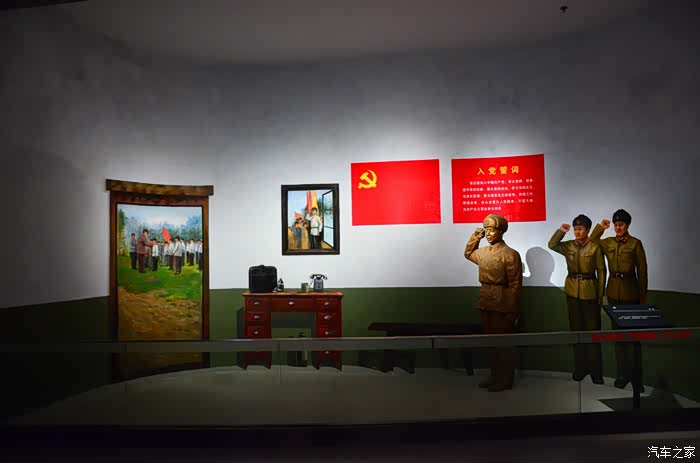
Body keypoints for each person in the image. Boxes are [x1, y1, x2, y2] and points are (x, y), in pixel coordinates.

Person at [464, 214, 523, 392]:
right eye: (486, 230)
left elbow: (515, 285)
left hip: (501, 302)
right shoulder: (483, 252)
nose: (488, 234)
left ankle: (506, 378)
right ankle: (494, 375)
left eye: (492, 230)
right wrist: (475, 237)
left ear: (501, 231)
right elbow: (468, 253)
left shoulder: (510, 254)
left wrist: (512, 310)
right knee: (489, 342)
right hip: (485, 299)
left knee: (502, 343)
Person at [590, 209, 648, 389]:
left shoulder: (635, 243)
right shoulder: (607, 242)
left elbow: (642, 271)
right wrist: (601, 227)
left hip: (631, 293)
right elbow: (592, 240)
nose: (618, 228)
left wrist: (642, 296)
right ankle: (622, 375)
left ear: (627, 225)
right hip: (613, 293)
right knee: (618, 337)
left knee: (633, 337)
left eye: (621, 225)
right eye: (616, 225)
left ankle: (636, 378)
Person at [548, 215, 606, 384]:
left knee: (593, 333)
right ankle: (580, 368)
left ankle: (595, 371)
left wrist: (600, 295)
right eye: (575, 229)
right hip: (572, 292)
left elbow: (601, 271)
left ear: (587, 230)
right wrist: (561, 231)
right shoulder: (568, 246)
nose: (577, 232)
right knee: (576, 332)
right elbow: (552, 245)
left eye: (580, 229)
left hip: (590, 292)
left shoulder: (595, 247)